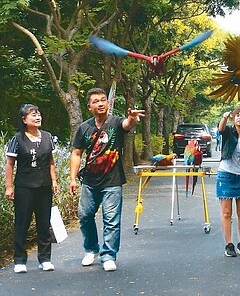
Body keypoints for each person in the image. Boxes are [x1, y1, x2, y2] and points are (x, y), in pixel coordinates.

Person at [69, 88, 145, 272]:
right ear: (89, 107)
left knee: (111, 220)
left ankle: (109, 255)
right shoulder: (84, 128)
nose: (101, 103)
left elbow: (127, 124)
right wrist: (72, 178)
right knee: (85, 216)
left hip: (112, 180)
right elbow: (77, 153)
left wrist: (133, 118)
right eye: (96, 101)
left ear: (108, 103)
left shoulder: (116, 122)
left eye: (103, 100)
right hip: (89, 180)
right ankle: (91, 249)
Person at [5, 104, 59, 273]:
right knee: (22, 223)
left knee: (44, 223)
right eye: (33, 115)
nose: (37, 117)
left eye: (38, 114)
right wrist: (8, 187)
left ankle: (45, 259)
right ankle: (20, 260)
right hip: (24, 187)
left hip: (44, 186)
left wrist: (54, 181)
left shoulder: (47, 137)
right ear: (24, 120)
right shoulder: (17, 139)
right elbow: (9, 164)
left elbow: (50, 161)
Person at [217, 107, 240, 257]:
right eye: (237, 115)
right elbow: (221, 129)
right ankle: (229, 244)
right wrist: (225, 117)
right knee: (227, 213)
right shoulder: (228, 133)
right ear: (233, 118)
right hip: (226, 175)